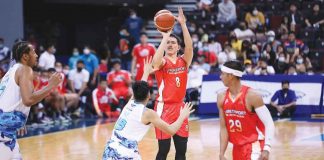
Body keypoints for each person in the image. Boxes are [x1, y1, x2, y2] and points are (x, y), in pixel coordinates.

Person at [102, 58, 194, 159]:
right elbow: (171, 130)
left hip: (110, 149)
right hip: (125, 154)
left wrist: (146, 72)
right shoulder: (148, 113)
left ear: (134, 94)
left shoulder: (129, 103)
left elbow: (140, 86)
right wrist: (183, 115)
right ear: (149, 96)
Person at [0, 41, 62, 159]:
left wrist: (16, 119)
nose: (36, 55)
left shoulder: (10, 71)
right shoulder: (25, 69)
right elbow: (28, 100)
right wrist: (50, 85)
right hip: (3, 130)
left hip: (7, 130)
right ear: (25, 56)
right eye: (33, 52)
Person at [152, 7, 193, 160]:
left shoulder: (184, 61)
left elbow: (189, 47)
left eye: (173, 42)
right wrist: (165, 36)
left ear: (178, 46)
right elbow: (155, 62)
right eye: (168, 42)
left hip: (180, 107)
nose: (170, 44)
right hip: (164, 108)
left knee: (181, 150)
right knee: (164, 150)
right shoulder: (162, 62)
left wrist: (183, 24)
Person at [218, 61, 275, 160]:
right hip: (237, 148)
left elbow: (269, 122)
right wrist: (221, 153)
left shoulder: (252, 96)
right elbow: (224, 128)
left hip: (255, 146)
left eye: (222, 74)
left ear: (231, 76)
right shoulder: (221, 97)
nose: (220, 77)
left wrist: (267, 148)